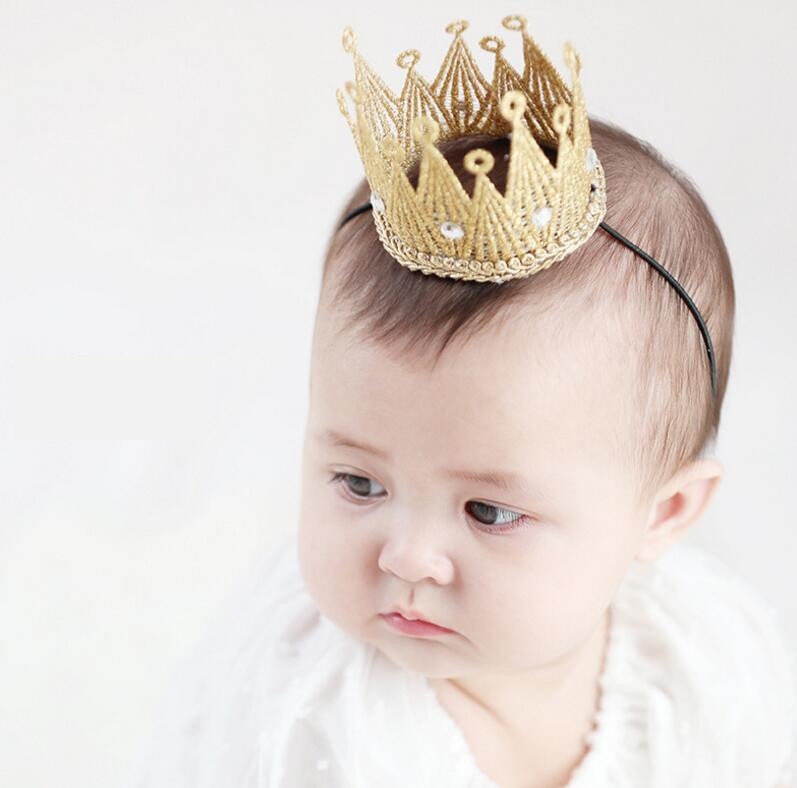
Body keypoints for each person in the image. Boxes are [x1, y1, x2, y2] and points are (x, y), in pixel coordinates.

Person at [125, 15, 796, 788]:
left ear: (663, 514)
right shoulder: (304, 720)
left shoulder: (697, 663)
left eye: (489, 511)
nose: (406, 555)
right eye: (358, 483)